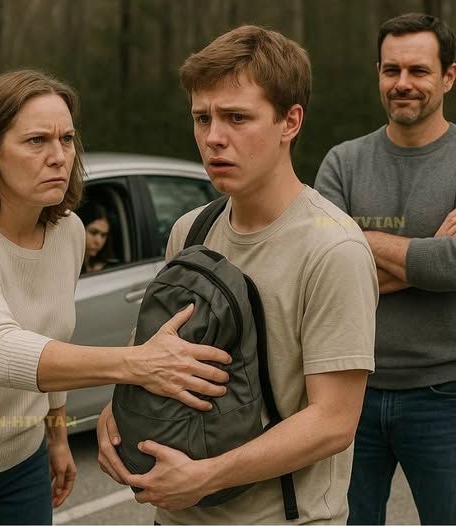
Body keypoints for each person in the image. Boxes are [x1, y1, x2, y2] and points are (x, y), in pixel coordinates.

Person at [97, 25, 378, 524]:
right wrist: (114, 418)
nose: (213, 138)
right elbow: (154, 362)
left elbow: (333, 422)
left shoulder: (333, 247)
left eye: (236, 117)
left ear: (290, 121)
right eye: (202, 118)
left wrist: (206, 476)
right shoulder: (190, 230)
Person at [0, 69, 232, 525]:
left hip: (22, 466)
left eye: (67, 139)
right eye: (36, 141)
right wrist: (138, 363)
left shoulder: (68, 230)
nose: (58, 157)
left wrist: (56, 435)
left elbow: (50, 335)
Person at [314, 12, 456, 525]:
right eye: (391, 70)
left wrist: (355, 239)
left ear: (449, 77)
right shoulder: (342, 162)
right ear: (378, 73)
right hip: (349, 390)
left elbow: (453, 267)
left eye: (418, 71)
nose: (403, 83)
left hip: (445, 393)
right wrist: (429, 253)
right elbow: (325, 275)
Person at [78, 200, 113, 274]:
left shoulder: (106, 266)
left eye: (103, 235)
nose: (98, 241)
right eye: (93, 233)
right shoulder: (67, 264)